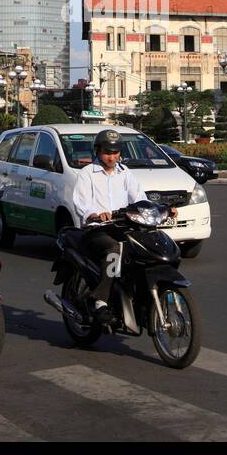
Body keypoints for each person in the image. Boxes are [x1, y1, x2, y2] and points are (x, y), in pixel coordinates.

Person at [71, 129, 162, 325]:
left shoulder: (125, 173)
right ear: (97, 151)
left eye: (115, 152)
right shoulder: (87, 174)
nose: (112, 156)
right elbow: (81, 202)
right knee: (115, 250)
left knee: (148, 246)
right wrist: (94, 214)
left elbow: (139, 198)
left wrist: (159, 210)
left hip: (122, 226)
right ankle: (100, 300)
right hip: (96, 229)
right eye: (107, 152)